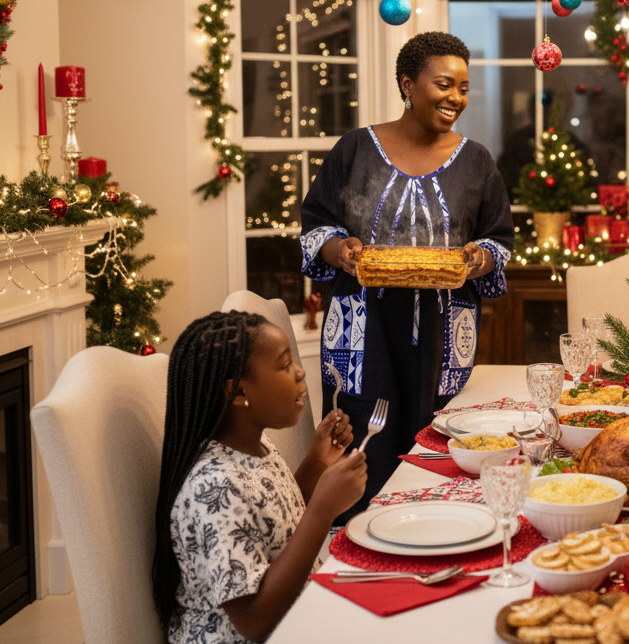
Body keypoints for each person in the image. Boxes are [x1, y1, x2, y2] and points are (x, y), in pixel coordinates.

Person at [300, 31, 515, 517]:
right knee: (364, 442)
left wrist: (477, 258)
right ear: (407, 84)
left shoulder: (476, 160)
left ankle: (441, 531)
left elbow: (498, 239)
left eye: (464, 88)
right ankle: (357, 540)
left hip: (442, 331)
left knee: (441, 440)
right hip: (363, 333)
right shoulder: (355, 149)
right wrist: (341, 250)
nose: (456, 97)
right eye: (444, 84)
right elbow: (316, 225)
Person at [151, 311, 367, 643]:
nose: (300, 371)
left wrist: (317, 463)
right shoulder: (213, 489)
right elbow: (254, 622)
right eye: (285, 365)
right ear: (238, 392)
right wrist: (323, 511)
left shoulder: (253, 445)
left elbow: (276, 524)